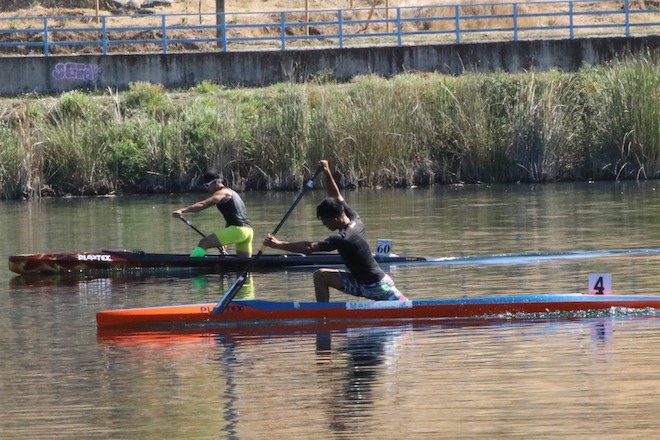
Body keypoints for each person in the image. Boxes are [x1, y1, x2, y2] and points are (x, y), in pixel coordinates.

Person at [263, 160, 407, 302]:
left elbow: (308, 247)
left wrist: (279, 245)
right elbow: (336, 196)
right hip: (359, 283)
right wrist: (327, 171)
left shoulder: (342, 238)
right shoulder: (355, 218)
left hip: (377, 285)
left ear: (335, 218)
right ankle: (323, 314)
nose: (325, 225)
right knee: (320, 276)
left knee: (406, 306)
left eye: (325, 221)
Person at [172, 172, 253, 258]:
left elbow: (204, 204)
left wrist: (182, 210)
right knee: (244, 264)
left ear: (215, 183)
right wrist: (223, 243)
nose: (207, 189)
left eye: (207, 185)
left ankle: (191, 264)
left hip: (238, 231)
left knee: (204, 242)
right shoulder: (233, 192)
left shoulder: (222, 193)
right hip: (248, 232)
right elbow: (233, 218)